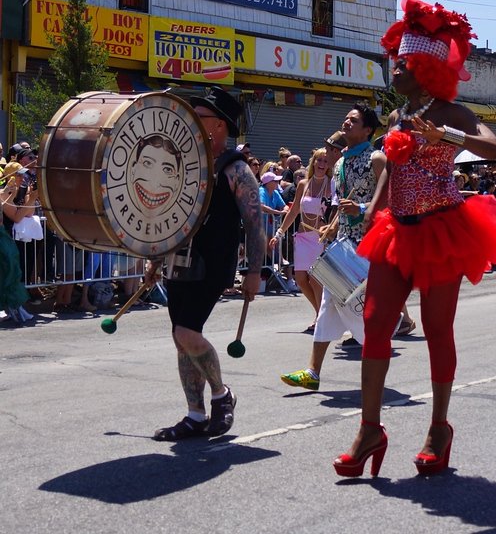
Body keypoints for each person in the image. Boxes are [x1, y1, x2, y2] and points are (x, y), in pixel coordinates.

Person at [334, 0, 496, 477]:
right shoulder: (397, 118)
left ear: (424, 69)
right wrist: (373, 211)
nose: (394, 70)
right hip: (396, 230)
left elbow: (495, 148)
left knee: (438, 330)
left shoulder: (452, 113)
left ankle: (439, 428)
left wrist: (447, 139)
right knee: (376, 325)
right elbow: (394, 171)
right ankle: (369, 429)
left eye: (403, 65)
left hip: (441, 232)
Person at [145, 86, 264, 441]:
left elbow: (255, 223)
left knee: (186, 332)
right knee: (182, 339)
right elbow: (167, 215)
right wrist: (155, 258)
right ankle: (195, 415)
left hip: (213, 262)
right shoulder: (184, 163)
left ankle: (221, 395)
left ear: (219, 126)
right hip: (178, 260)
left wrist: (254, 272)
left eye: (201, 117)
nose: (192, 122)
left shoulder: (237, 169)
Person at [280, 105, 386, 391]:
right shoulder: (339, 165)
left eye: (354, 120)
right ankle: (312, 372)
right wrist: (334, 226)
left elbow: (390, 200)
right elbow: (341, 207)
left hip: (369, 246)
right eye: (346, 118)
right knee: (329, 304)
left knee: (357, 306)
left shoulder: (377, 159)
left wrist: (363, 207)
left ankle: (377, 359)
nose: (346, 122)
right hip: (343, 246)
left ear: (368, 130)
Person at [269, 148, 333, 333]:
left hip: (319, 237)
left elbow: (336, 210)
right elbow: (294, 210)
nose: (321, 164)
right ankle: (321, 314)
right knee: (300, 278)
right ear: (313, 162)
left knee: (315, 279)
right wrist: (279, 233)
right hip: (303, 237)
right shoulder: (303, 184)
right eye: (318, 160)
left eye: (325, 161)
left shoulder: (331, 185)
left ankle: (321, 318)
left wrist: (329, 225)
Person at [0, 163, 32, 324]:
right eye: (18, 175)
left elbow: (28, 212)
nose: (22, 179)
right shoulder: (3, 192)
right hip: (3, 237)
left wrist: (30, 196)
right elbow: (14, 214)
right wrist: (7, 193)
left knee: (12, 271)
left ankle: (14, 307)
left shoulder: (10, 192)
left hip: (5, 237)